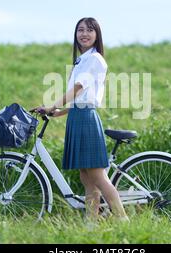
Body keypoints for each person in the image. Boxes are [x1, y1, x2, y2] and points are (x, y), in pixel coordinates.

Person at [31, 17, 129, 221]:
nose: (84, 34)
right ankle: (91, 224)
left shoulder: (94, 59)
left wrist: (52, 105)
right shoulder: (82, 60)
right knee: (86, 177)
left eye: (89, 30)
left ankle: (124, 221)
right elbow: (81, 98)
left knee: (97, 176)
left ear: (97, 35)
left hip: (85, 119)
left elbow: (78, 89)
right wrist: (60, 112)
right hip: (78, 116)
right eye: (80, 30)